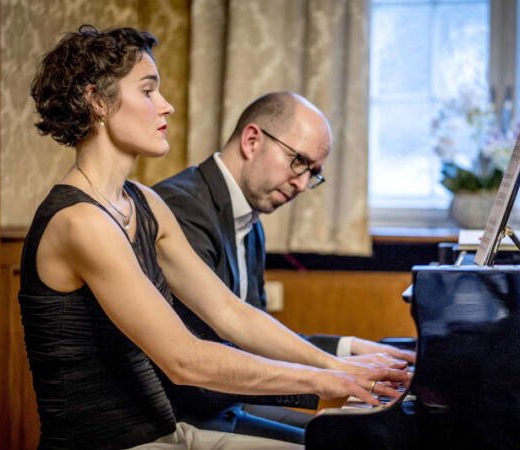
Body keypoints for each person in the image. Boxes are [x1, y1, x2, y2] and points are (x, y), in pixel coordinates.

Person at [20, 25, 410, 450]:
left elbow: (230, 312)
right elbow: (184, 360)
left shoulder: (146, 203)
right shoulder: (80, 221)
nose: (165, 106)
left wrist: (336, 364)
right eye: (148, 91)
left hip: (169, 432)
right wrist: (325, 379)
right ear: (96, 100)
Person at [153, 92, 416, 440]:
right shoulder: (182, 208)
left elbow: (255, 336)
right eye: (299, 162)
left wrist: (351, 348)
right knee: (350, 439)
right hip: (189, 412)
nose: (303, 184)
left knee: (365, 435)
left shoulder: (250, 219)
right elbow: (210, 354)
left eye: (313, 174)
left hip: (227, 402)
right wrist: (334, 374)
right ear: (251, 140)